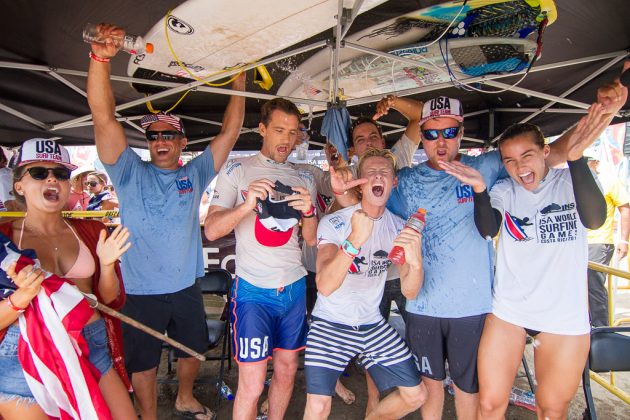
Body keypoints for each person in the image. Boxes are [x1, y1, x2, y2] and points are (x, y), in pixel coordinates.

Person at [342, 74, 626, 420]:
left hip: (474, 305)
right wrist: (345, 189)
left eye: (449, 131)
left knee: (470, 393)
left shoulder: (489, 166)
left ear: (461, 132)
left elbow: (551, 153)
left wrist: (604, 115)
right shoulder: (407, 179)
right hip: (423, 305)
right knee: (430, 389)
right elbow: (372, 206)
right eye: (430, 133)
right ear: (422, 136)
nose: (440, 141)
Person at [86, 23, 245, 420]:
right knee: (142, 362)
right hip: (139, 290)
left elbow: (230, 132)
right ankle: (149, 414)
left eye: (168, 136)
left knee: (192, 349)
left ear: (181, 143)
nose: (159, 140)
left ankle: (185, 397)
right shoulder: (128, 173)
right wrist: (101, 61)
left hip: (186, 285)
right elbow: (103, 118)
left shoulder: (195, 174)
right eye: (153, 135)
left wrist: (240, 79)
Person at [439, 103, 608, 419]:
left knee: (551, 410)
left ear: (545, 151)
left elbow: (596, 219)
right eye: (510, 161)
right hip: (510, 311)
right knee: (489, 405)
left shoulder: (570, 182)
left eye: (527, 156)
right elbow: (488, 228)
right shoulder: (504, 189)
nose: (519, 167)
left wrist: (576, 157)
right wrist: (479, 189)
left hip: (563, 317)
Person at [0, 138, 135, 419]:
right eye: (39, 173)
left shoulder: (91, 229)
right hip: (26, 352)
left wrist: (107, 265)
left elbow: (107, 300)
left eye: (60, 174)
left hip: (91, 342)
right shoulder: (4, 241)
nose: (52, 179)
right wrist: (21, 297)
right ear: (19, 185)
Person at [204, 98, 317, 420]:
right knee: (252, 386)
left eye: (293, 132)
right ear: (263, 129)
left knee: (286, 373)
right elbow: (212, 230)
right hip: (253, 291)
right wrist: (245, 204)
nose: (286, 139)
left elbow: (310, 238)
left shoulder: (303, 177)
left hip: (293, 287)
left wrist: (309, 211)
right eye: (279, 130)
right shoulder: (237, 170)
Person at [303, 148, 427, 420]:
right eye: (370, 173)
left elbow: (410, 290)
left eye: (384, 172)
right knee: (318, 406)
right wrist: (354, 241)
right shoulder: (335, 222)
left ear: (394, 182)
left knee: (415, 394)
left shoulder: (398, 227)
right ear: (359, 183)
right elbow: (324, 285)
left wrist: (416, 263)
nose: (377, 177)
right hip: (330, 324)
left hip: (372, 324)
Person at [585, 154, 630, 326]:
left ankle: (601, 328)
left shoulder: (609, 181)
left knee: (594, 286)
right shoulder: (573, 180)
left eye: (586, 160)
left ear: (596, 162)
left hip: (598, 241)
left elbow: (625, 209)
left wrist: (623, 241)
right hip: (577, 242)